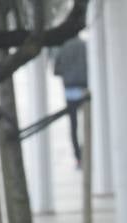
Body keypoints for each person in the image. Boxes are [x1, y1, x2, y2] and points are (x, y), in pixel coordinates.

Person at [52, 34, 87, 165]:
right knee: (87, 124)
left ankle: (78, 157)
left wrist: (68, 73)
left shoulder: (63, 48)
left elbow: (56, 70)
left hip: (69, 91)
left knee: (74, 126)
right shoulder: (85, 46)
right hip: (85, 90)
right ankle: (88, 152)